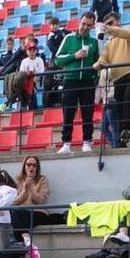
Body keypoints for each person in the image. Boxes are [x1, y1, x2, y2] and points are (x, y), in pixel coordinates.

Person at [53, 12, 101, 153]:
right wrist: (75, 55)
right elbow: (57, 60)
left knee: (88, 112)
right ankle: (66, 143)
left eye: (88, 25)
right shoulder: (68, 38)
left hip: (87, 81)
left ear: (92, 26)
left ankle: (87, 141)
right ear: (79, 22)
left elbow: (98, 60)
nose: (85, 27)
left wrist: (96, 67)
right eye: (83, 23)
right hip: (70, 80)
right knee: (68, 112)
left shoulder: (93, 42)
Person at [98, 11, 130, 148]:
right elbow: (103, 58)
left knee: (128, 98)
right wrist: (98, 64)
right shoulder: (109, 43)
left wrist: (109, 29)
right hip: (118, 77)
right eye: (107, 24)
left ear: (118, 22)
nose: (109, 26)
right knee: (120, 106)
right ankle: (124, 135)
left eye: (112, 23)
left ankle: (126, 130)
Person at [4, 40, 46, 112]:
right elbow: (21, 74)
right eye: (30, 50)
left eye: (33, 50)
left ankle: (30, 109)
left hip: (37, 82)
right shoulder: (24, 61)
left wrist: (34, 78)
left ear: (36, 51)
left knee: (30, 88)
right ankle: (27, 108)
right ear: (27, 52)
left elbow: (41, 73)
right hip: (26, 83)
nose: (32, 52)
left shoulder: (39, 60)